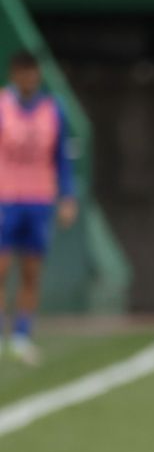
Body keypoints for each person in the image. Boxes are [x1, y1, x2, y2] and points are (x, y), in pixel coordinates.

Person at [0, 51, 75, 364]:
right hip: (5, 198)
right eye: (23, 72)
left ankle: (22, 334)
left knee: (31, 271)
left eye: (33, 73)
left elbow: (62, 158)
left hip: (39, 199)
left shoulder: (53, 109)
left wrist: (67, 196)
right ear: (14, 74)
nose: (28, 78)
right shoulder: (3, 105)